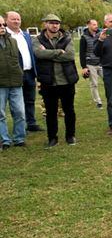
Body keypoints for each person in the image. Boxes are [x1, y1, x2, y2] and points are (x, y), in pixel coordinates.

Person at [32, 14, 78, 148]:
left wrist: (49, 54)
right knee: (51, 112)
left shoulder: (67, 38)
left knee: (69, 110)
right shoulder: (38, 39)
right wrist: (59, 52)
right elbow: (38, 54)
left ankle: (70, 136)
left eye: (57, 23)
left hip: (66, 81)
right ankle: (52, 138)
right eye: (52, 23)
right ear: (45, 24)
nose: (55, 25)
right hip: (48, 81)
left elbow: (69, 56)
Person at [5, 11, 42, 132]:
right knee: (17, 103)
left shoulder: (25, 35)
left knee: (30, 99)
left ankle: (31, 123)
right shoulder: (4, 36)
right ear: (6, 21)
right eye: (13, 19)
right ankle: (20, 127)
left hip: (29, 73)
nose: (16, 21)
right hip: (16, 74)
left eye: (18, 19)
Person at [0, 16, 26, 150]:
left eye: (3, 24)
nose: (2, 27)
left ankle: (19, 138)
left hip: (15, 82)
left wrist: (20, 74)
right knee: (1, 114)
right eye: (0, 25)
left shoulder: (13, 41)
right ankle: (4, 140)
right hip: (0, 84)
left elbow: (17, 60)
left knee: (20, 112)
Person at [79, 19, 104, 108]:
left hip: (101, 63)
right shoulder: (84, 37)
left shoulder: (101, 35)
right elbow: (82, 53)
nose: (96, 26)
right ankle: (98, 101)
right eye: (93, 24)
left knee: (109, 82)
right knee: (94, 84)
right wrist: (84, 67)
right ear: (88, 25)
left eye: (96, 24)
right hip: (90, 64)